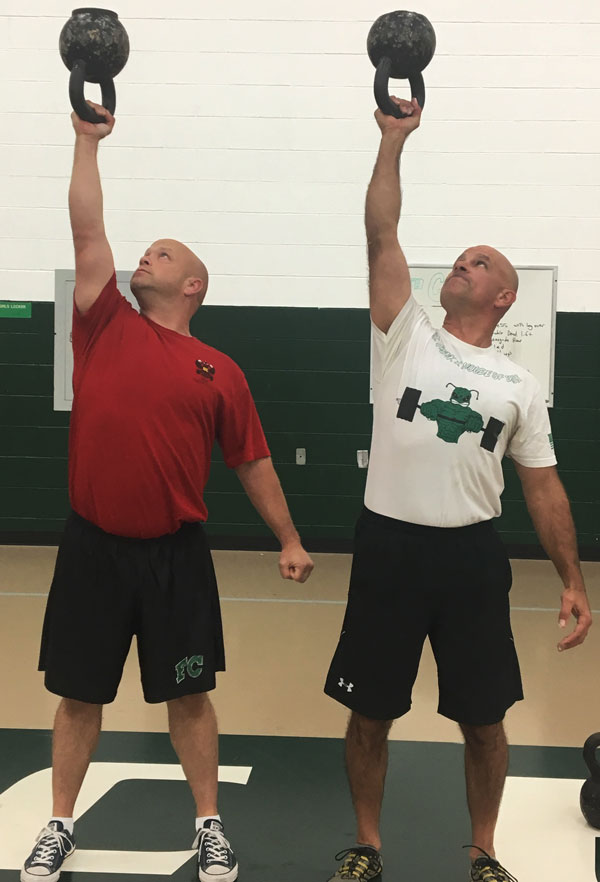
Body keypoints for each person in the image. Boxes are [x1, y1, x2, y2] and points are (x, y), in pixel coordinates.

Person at [21, 103, 314, 882]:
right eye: (141, 251)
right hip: (92, 547)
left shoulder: (221, 372)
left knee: (189, 698)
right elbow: (88, 230)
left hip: (175, 557)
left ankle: (209, 826)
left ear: (193, 284)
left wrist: (287, 537)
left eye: (160, 254)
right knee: (80, 696)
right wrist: (86, 144)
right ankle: (59, 824)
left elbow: (253, 463)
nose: (139, 259)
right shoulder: (103, 324)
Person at [324, 96, 592, 882]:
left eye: (480, 263)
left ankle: (484, 852)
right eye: (463, 258)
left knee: (484, 718)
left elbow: (542, 490)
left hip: (471, 558)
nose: (462, 265)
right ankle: (368, 846)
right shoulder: (405, 334)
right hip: (389, 547)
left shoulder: (519, 383)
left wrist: (573, 580)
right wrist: (392, 142)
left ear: (504, 296)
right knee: (369, 710)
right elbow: (382, 232)